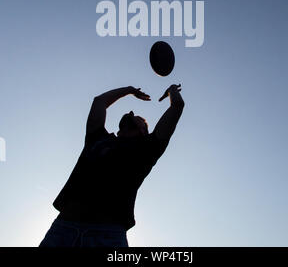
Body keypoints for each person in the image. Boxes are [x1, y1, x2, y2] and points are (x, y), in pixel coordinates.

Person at [39, 84, 184, 247]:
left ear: (144, 132)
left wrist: (171, 90)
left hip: (108, 235)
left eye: (137, 118)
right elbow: (99, 101)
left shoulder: (148, 149)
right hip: (63, 228)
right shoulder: (98, 138)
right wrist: (128, 90)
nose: (131, 113)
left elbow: (177, 106)